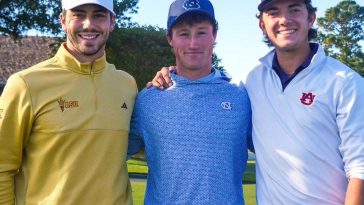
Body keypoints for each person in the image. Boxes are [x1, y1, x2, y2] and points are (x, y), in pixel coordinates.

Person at [150, 0, 364, 204]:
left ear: (311, 18)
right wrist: (169, 76)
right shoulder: (252, 82)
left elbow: (360, 168)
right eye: (273, 12)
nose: (284, 19)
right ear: (262, 24)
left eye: (294, 9)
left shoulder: (346, 83)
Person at [0, 0, 137, 204]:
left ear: (112, 22)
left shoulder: (128, 85)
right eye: (78, 14)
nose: (88, 24)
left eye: (99, 15)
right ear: (63, 20)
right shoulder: (25, 84)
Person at [127, 0, 252, 204]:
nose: (193, 44)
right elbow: (112, 153)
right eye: (184, 34)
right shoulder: (148, 99)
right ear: (170, 39)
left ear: (215, 36)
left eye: (201, 32)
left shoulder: (240, 98)